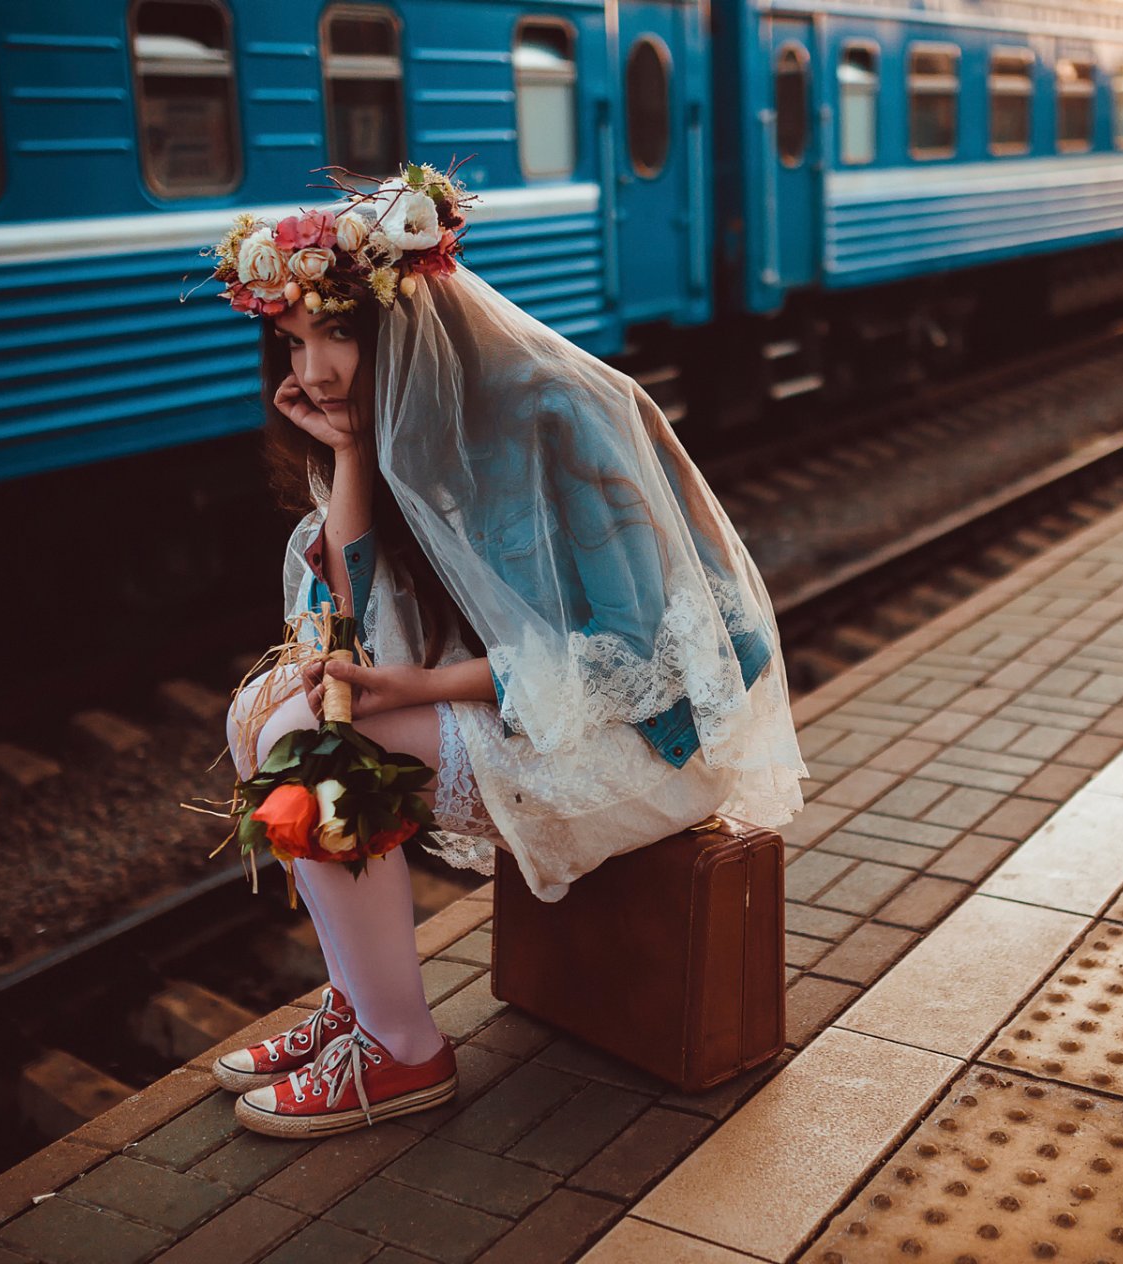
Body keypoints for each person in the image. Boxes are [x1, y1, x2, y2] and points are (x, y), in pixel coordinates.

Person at [201, 166, 805, 1138]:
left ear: (406, 315)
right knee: (267, 707)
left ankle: (402, 1052)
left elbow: (633, 654)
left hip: (653, 739)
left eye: (340, 331)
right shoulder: (396, 420)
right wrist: (351, 458)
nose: (311, 370)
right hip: (542, 713)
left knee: (314, 746)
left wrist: (425, 683)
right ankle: (359, 1004)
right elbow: (354, 630)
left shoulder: (558, 415)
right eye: (294, 338)